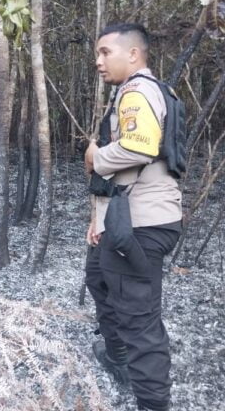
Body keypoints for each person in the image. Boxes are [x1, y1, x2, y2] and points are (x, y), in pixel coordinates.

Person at [84, 23, 182, 411]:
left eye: (106, 52)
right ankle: (116, 355)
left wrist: (95, 157)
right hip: (127, 218)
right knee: (98, 276)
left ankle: (152, 402)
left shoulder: (137, 91)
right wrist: (99, 218)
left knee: (140, 320)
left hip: (141, 224)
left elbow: (139, 148)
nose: (98, 61)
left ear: (134, 55)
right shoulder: (155, 91)